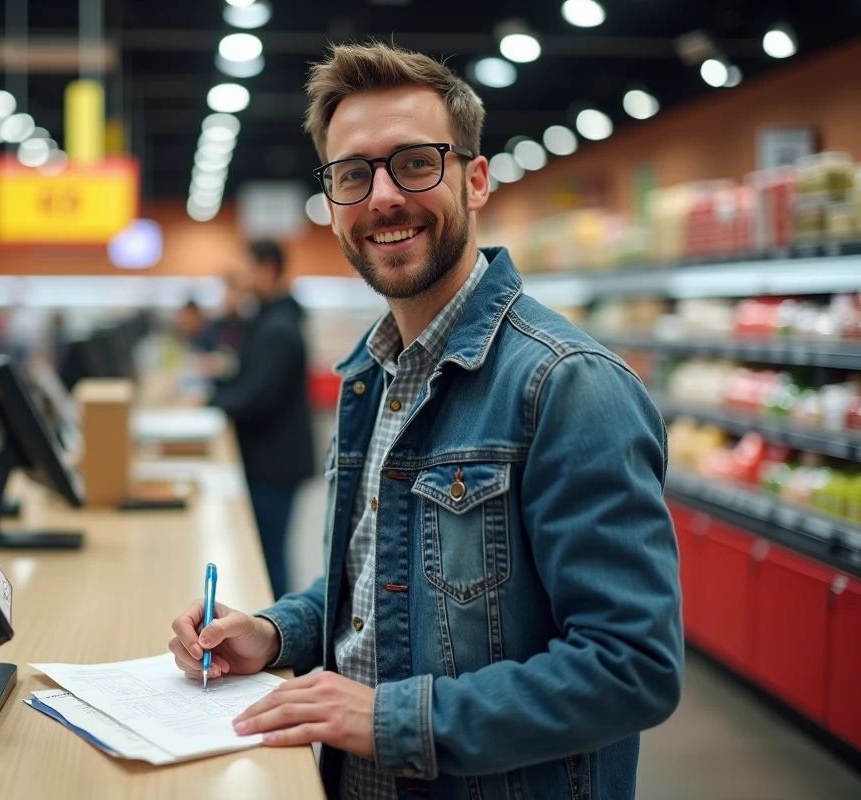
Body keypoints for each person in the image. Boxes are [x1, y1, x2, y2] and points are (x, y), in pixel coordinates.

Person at [168, 41, 683, 800]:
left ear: (475, 180)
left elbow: (632, 667)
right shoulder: (372, 376)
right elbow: (383, 587)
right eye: (353, 175)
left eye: (414, 163)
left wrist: (389, 719)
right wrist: (277, 632)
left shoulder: (568, 387)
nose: (382, 198)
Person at [208, 240, 315, 600]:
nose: (243, 278)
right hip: (274, 458)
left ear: (266, 268)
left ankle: (274, 628)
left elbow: (256, 397)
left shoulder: (278, 328)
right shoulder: (272, 320)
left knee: (268, 558)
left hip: (274, 462)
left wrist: (210, 399)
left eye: (248, 269)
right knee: (267, 553)